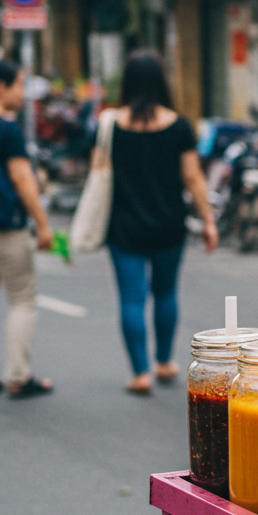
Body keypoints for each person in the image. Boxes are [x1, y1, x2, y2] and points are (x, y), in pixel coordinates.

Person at [94, 50, 219, 395]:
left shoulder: (110, 124)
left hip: (123, 226)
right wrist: (208, 220)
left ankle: (140, 373)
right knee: (165, 293)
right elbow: (193, 177)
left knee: (131, 298)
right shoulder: (179, 125)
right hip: (168, 223)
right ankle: (164, 361)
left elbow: (98, 171)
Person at [0, 60, 54, 398]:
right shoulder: (7, 129)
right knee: (22, 298)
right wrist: (43, 224)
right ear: (0, 87)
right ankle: (18, 376)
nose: (23, 94)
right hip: (4, 226)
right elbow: (22, 179)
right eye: (19, 86)